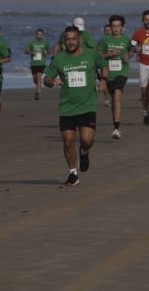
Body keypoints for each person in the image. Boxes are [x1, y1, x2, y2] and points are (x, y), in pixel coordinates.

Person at [45, 25, 106, 187]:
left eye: (73, 39)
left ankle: (84, 151)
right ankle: (73, 173)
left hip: (87, 106)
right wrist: (51, 81)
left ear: (79, 39)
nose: (70, 42)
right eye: (67, 39)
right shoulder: (59, 59)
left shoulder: (91, 55)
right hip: (67, 107)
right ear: (64, 41)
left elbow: (103, 66)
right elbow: (47, 79)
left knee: (86, 140)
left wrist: (104, 80)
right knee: (68, 142)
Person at [97, 16, 133, 139]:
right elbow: (97, 56)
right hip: (109, 73)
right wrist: (109, 54)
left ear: (122, 27)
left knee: (117, 95)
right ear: (110, 27)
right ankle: (115, 125)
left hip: (122, 73)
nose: (116, 29)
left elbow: (132, 49)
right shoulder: (104, 40)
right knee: (113, 101)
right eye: (114, 26)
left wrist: (128, 56)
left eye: (118, 26)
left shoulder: (127, 39)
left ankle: (117, 129)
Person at [26, 28, 50, 100]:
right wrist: (31, 52)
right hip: (33, 63)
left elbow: (49, 50)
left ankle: (38, 92)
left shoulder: (45, 42)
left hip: (42, 63)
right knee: (34, 79)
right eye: (38, 34)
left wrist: (46, 52)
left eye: (40, 34)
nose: (39, 36)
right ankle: (38, 86)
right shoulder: (32, 42)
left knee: (39, 77)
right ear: (36, 35)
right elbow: (26, 50)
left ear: (43, 35)